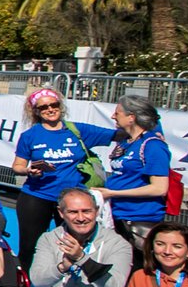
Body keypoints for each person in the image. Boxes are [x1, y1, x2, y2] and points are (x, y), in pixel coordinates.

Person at [11, 87, 94, 274]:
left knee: (70, 243)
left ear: (60, 105)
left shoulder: (77, 130)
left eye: (54, 104)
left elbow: (119, 133)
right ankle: (25, 283)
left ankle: (65, 280)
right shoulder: (29, 136)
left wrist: (153, 134)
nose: (50, 109)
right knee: (29, 246)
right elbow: (17, 166)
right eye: (43, 107)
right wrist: (28, 170)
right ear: (36, 111)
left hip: (70, 199)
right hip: (36, 196)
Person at [74, 95, 173, 243]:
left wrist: (113, 193)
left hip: (140, 217)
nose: (113, 116)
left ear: (131, 117)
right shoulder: (127, 142)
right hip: (118, 213)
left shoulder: (153, 146)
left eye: (117, 113)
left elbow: (159, 188)